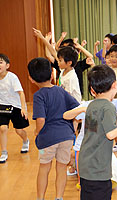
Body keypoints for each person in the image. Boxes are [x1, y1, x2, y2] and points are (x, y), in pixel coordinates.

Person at [78, 65, 117, 200]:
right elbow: (110, 134)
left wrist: (114, 122)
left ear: (92, 90)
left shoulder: (92, 105)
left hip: (85, 165)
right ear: (115, 85)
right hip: (98, 168)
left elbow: (98, 129)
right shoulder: (109, 107)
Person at [63, 95, 117, 189]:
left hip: (101, 149)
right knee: (85, 184)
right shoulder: (88, 104)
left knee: (100, 181)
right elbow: (66, 115)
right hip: (83, 149)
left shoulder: (112, 104)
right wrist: (83, 109)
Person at [27, 57, 80, 200]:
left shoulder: (38, 95)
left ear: (31, 78)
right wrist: (73, 126)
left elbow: (41, 120)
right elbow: (77, 107)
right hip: (66, 137)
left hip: (48, 139)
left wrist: (37, 132)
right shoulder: (60, 91)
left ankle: (40, 198)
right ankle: (59, 197)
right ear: (52, 74)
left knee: (44, 168)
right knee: (61, 168)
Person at [0, 54, 29, 163]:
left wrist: (23, 108)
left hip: (15, 106)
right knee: (2, 128)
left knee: (19, 130)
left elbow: (21, 93)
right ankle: (3, 152)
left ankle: (25, 140)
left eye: (0, 62)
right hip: (2, 107)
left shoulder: (12, 77)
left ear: (7, 65)